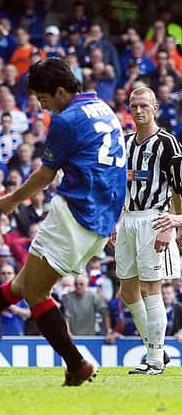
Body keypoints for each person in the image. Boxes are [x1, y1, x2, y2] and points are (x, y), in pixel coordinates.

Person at [0, 58, 127, 386]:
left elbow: (45, 175)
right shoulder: (103, 107)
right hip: (102, 216)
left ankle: (76, 363)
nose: (44, 107)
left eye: (44, 100)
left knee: (36, 293)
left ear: (60, 91)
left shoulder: (67, 120)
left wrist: (11, 200)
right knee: (23, 286)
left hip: (76, 213)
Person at [114, 86, 182, 375]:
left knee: (150, 288)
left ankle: (154, 360)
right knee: (127, 289)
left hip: (155, 219)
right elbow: (121, 187)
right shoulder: (126, 142)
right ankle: (157, 350)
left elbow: (179, 189)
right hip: (129, 218)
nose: (138, 111)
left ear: (155, 108)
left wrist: (174, 222)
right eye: (133, 105)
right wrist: (117, 222)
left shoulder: (168, 143)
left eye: (144, 105)